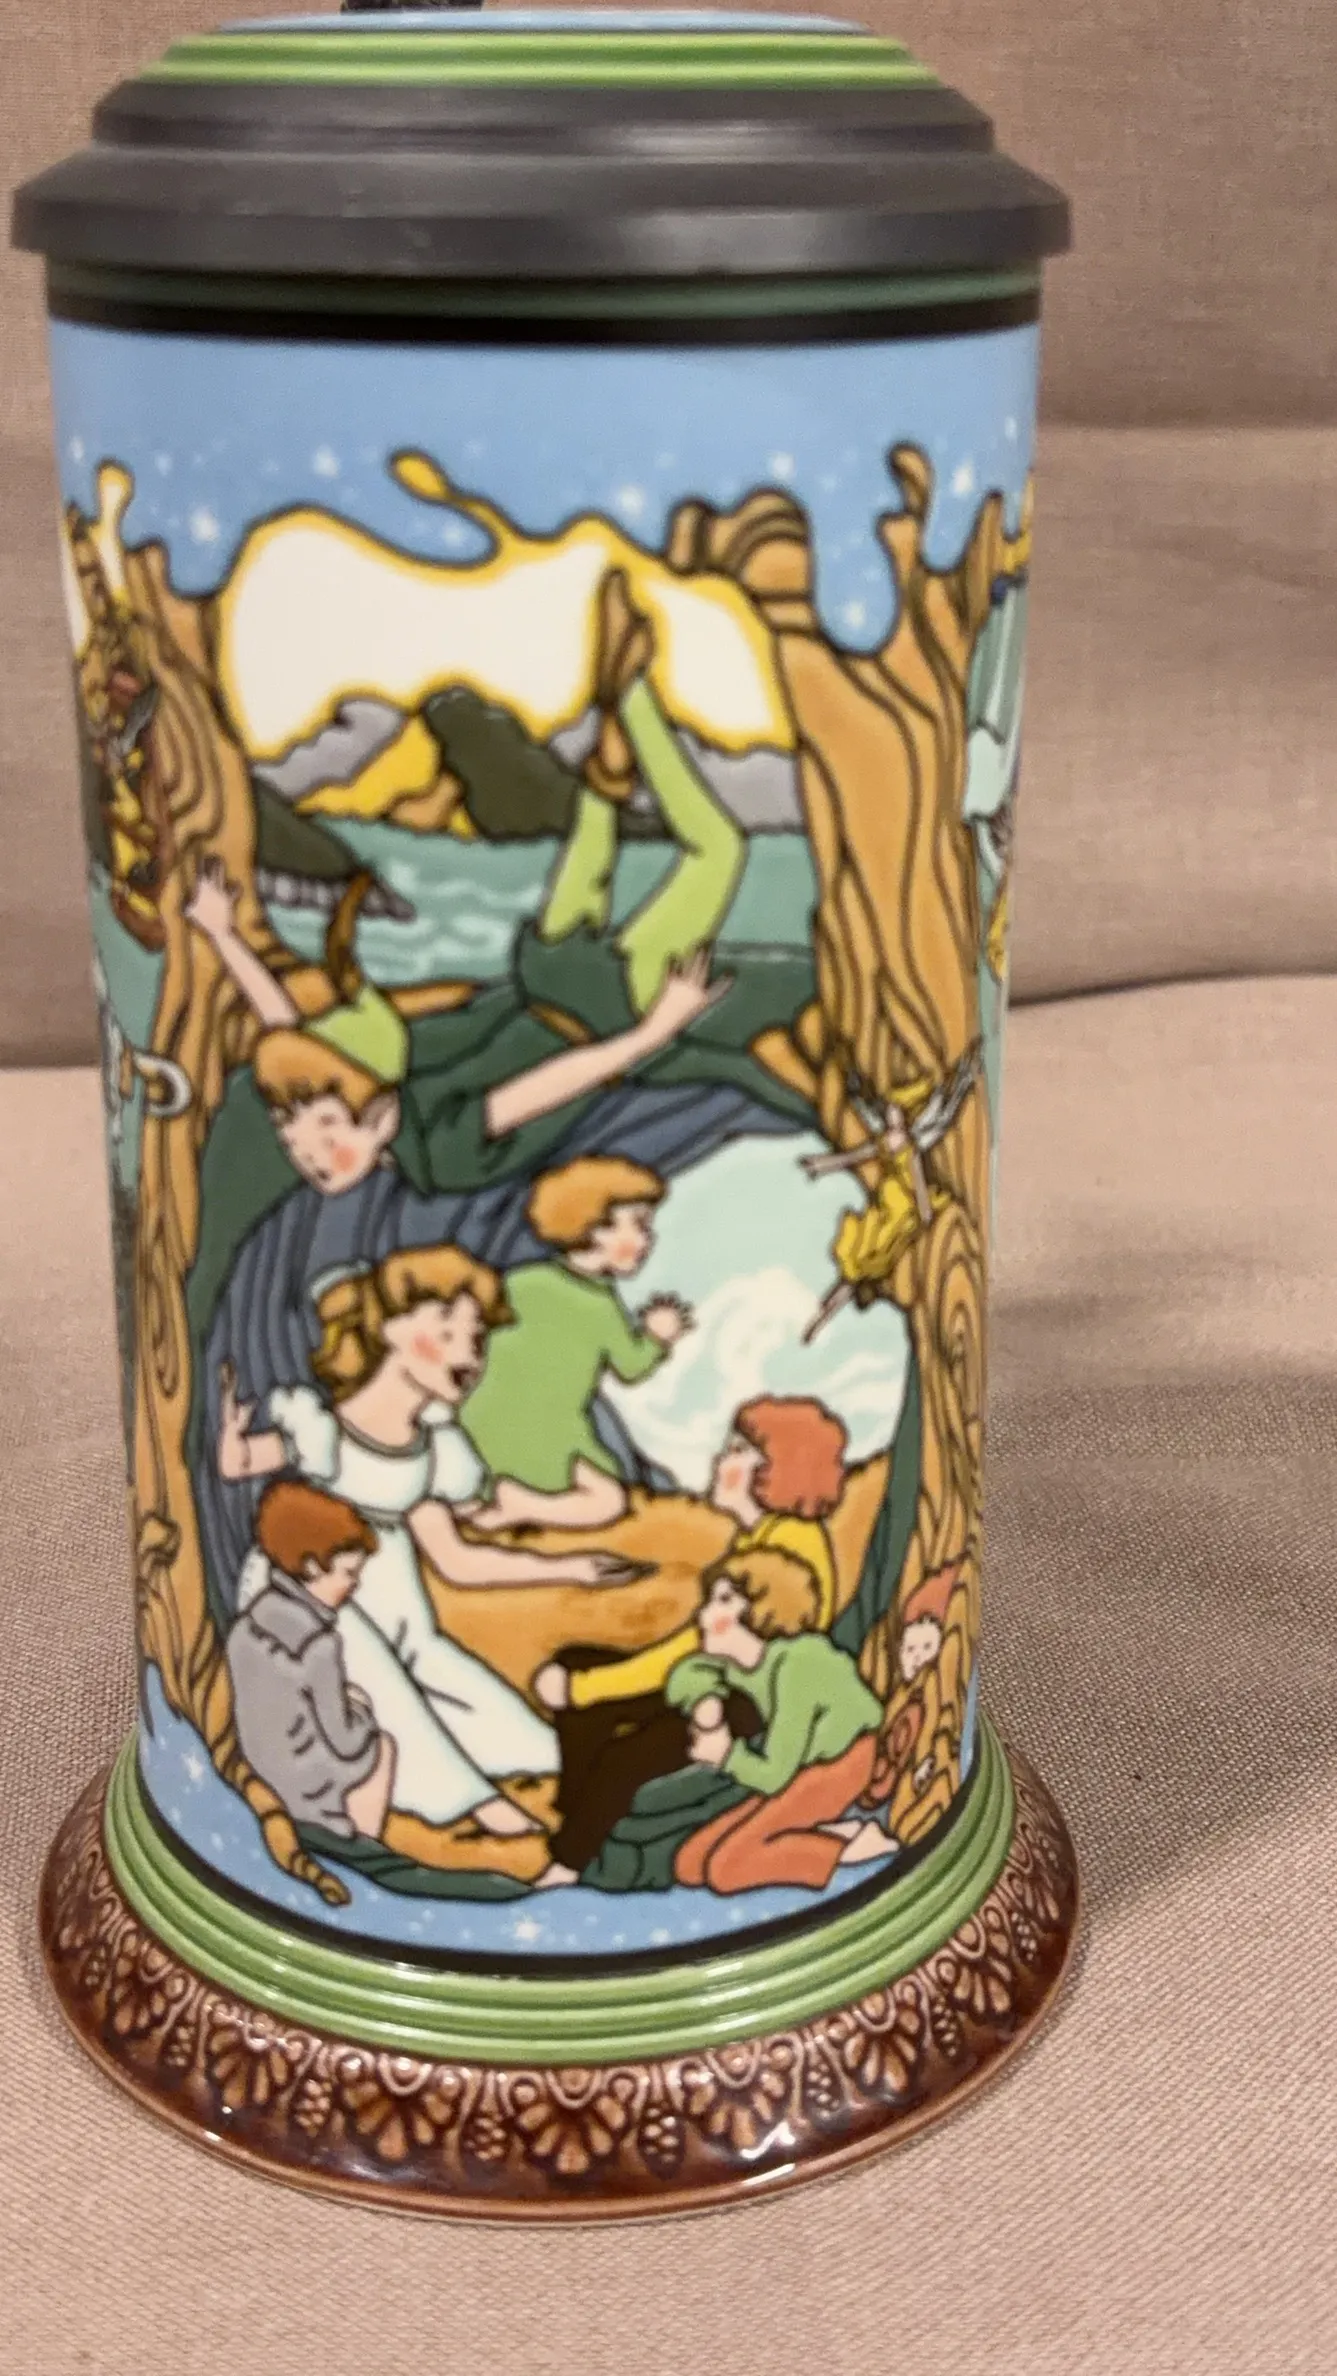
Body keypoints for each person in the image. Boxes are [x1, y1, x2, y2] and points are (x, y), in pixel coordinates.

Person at [216, 1243, 626, 1854]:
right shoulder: (326, 1430)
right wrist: (229, 1431)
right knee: (382, 1684)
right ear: (389, 1329)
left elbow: (458, 1561)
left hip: (392, 1587)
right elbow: (240, 1464)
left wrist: (571, 1567)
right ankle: (478, 1803)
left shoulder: (434, 1449)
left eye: (476, 1339)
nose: (468, 1356)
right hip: (308, 1590)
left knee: (458, 1683)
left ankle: (543, 1764)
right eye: (447, 1331)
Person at [462, 1155, 690, 1532]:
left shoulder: (522, 1279)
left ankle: (496, 1499)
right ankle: (523, 1506)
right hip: (550, 1430)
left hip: (478, 1419)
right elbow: (631, 1366)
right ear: (595, 1226)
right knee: (609, 1500)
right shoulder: (600, 1305)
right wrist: (657, 1335)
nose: (648, 1240)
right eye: (639, 1225)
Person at [668, 1553, 891, 1894]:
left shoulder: (797, 1664)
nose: (703, 1615)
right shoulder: (744, 1663)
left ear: (762, 1608)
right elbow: (688, 1671)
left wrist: (726, 1755)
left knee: (726, 1869)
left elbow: (775, 1775)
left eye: (723, 1600)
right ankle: (826, 1833)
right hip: (804, 1768)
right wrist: (704, 1700)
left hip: (847, 1759)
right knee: (690, 1862)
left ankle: (851, 1846)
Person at [225, 1479, 396, 1842]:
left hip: (256, 1761)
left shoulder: (251, 1619)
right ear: (312, 1567)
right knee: (382, 1747)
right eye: (349, 1573)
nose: (355, 1585)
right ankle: (359, 1845)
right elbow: (345, 1741)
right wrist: (362, 1711)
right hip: (302, 1781)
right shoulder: (319, 1644)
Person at [859, 1561, 971, 1848]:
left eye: (927, 1648)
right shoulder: (892, 1686)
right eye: (911, 1649)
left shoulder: (934, 1689)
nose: (919, 1657)